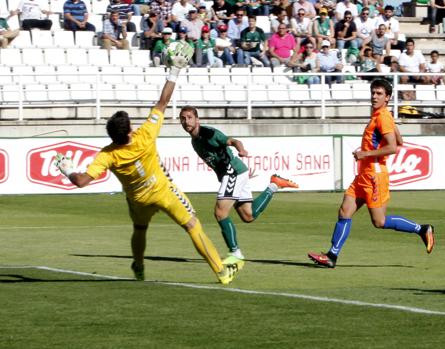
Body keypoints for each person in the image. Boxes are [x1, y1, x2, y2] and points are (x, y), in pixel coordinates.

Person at [53, 42, 243, 285]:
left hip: (138, 200)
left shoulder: (108, 154)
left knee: (140, 230)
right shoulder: (145, 134)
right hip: (163, 192)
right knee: (192, 225)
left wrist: (67, 168)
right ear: (130, 129)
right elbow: (162, 102)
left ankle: (139, 266)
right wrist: (175, 70)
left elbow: (81, 181)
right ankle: (221, 271)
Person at [308, 78, 435, 268]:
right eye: (373, 93)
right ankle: (332, 256)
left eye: (379, 94)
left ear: (388, 97)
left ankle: (422, 229)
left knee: (379, 221)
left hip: (375, 175)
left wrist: (365, 153)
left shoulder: (383, 117)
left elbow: (393, 147)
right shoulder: (381, 115)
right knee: (344, 211)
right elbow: (399, 140)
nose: (374, 96)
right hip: (364, 174)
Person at [179, 106, 298, 263]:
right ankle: (274, 185)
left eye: (189, 117)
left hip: (233, 172)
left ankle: (235, 253)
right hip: (234, 173)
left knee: (220, 213)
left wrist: (242, 150)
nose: (186, 121)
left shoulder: (209, 133)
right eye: (183, 118)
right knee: (248, 216)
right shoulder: (194, 141)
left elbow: (234, 141)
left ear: (197, 119)